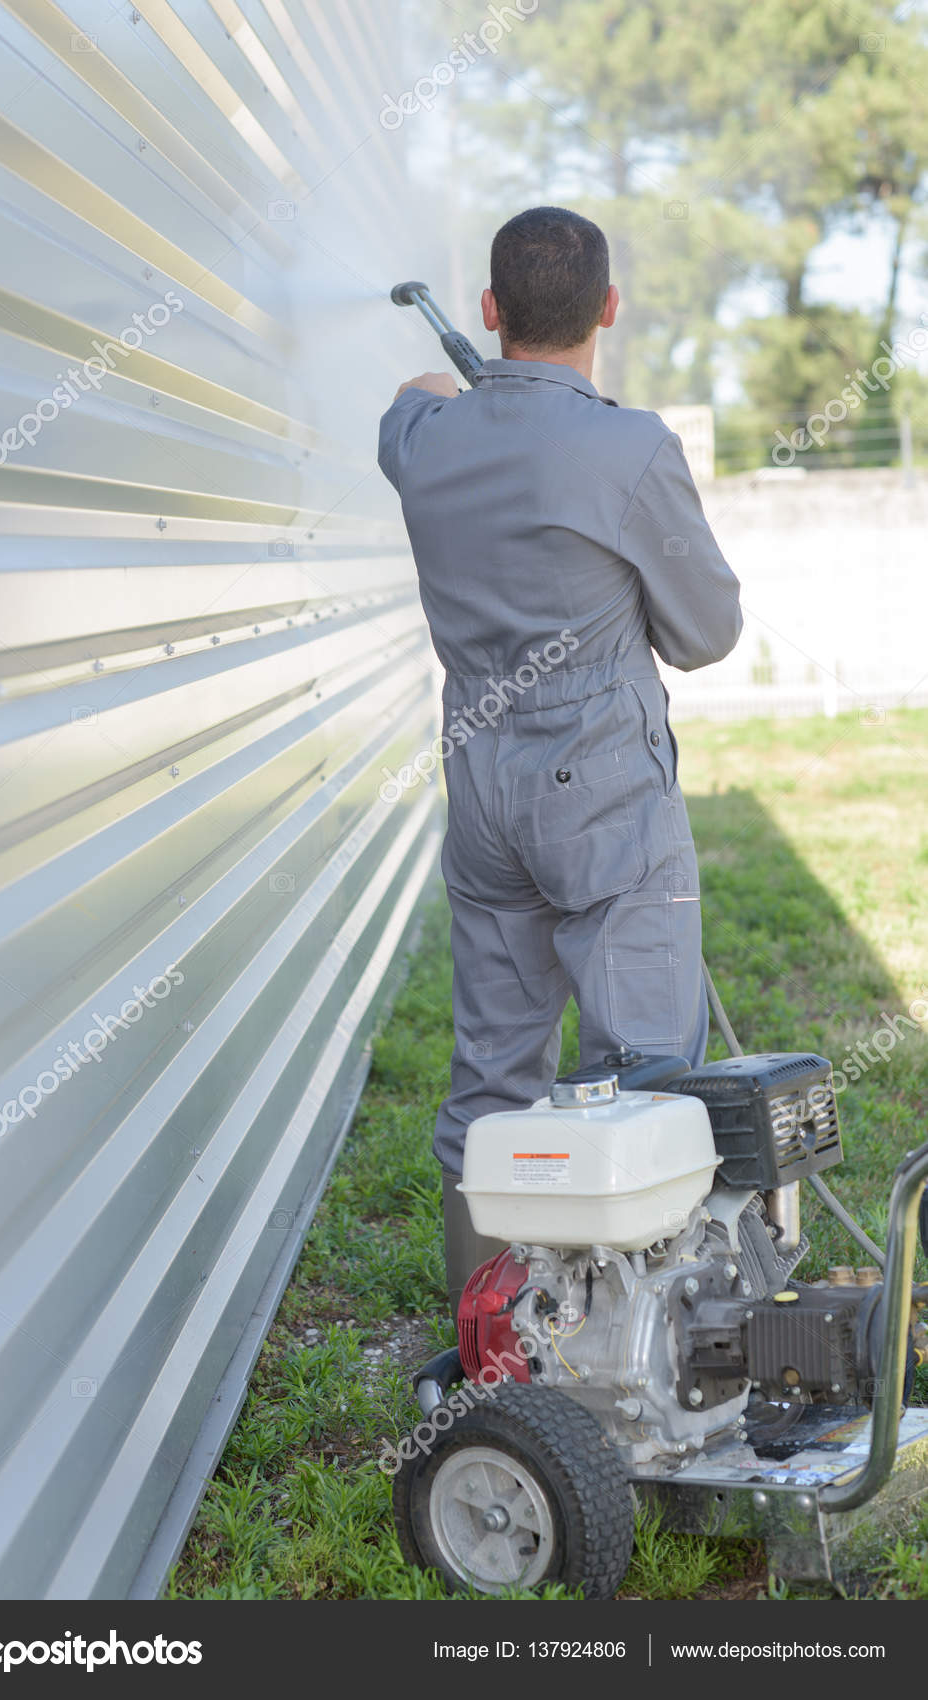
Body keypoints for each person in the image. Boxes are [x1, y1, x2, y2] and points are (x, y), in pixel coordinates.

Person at [378, 206, 742, 1317]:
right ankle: (654, 1343)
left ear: (489, 313)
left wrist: (479, 389)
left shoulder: (421, 442)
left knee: (495, 1072)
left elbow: (413, 398)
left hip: (482, 786)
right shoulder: (630, 449)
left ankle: (491, 1334)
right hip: (605, 797)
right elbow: (707, 631)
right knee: (647, 1068)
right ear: (609, 309)